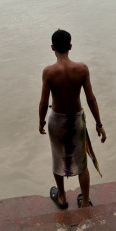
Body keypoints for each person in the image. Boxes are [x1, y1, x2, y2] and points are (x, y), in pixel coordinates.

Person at [39, 29, 106, 209]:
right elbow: (91, 99)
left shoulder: (49, 72)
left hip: (57, 121)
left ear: (52, 47)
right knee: (81, 162)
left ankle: (61, 197)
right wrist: (99, 124)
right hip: (76, 120)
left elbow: (44, 103)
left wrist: (41, 122)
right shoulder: (82, 69)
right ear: (70, 46)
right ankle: (84, 202)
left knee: (57, 157)